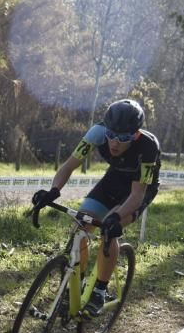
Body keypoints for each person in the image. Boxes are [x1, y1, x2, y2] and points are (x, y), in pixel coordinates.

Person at [32, 98, 160, 316]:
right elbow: (69, 166)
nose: (115, 143)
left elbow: (137, 194)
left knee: (109, 233)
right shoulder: (97, 133)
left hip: (138, 190)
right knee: (81, 225)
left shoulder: (148, 147)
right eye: (111, 135)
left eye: (124, 138)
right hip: (112, 180)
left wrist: (116, 217)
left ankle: (100, 290)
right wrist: (53, 190)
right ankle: (76, 285)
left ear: (136, 135)